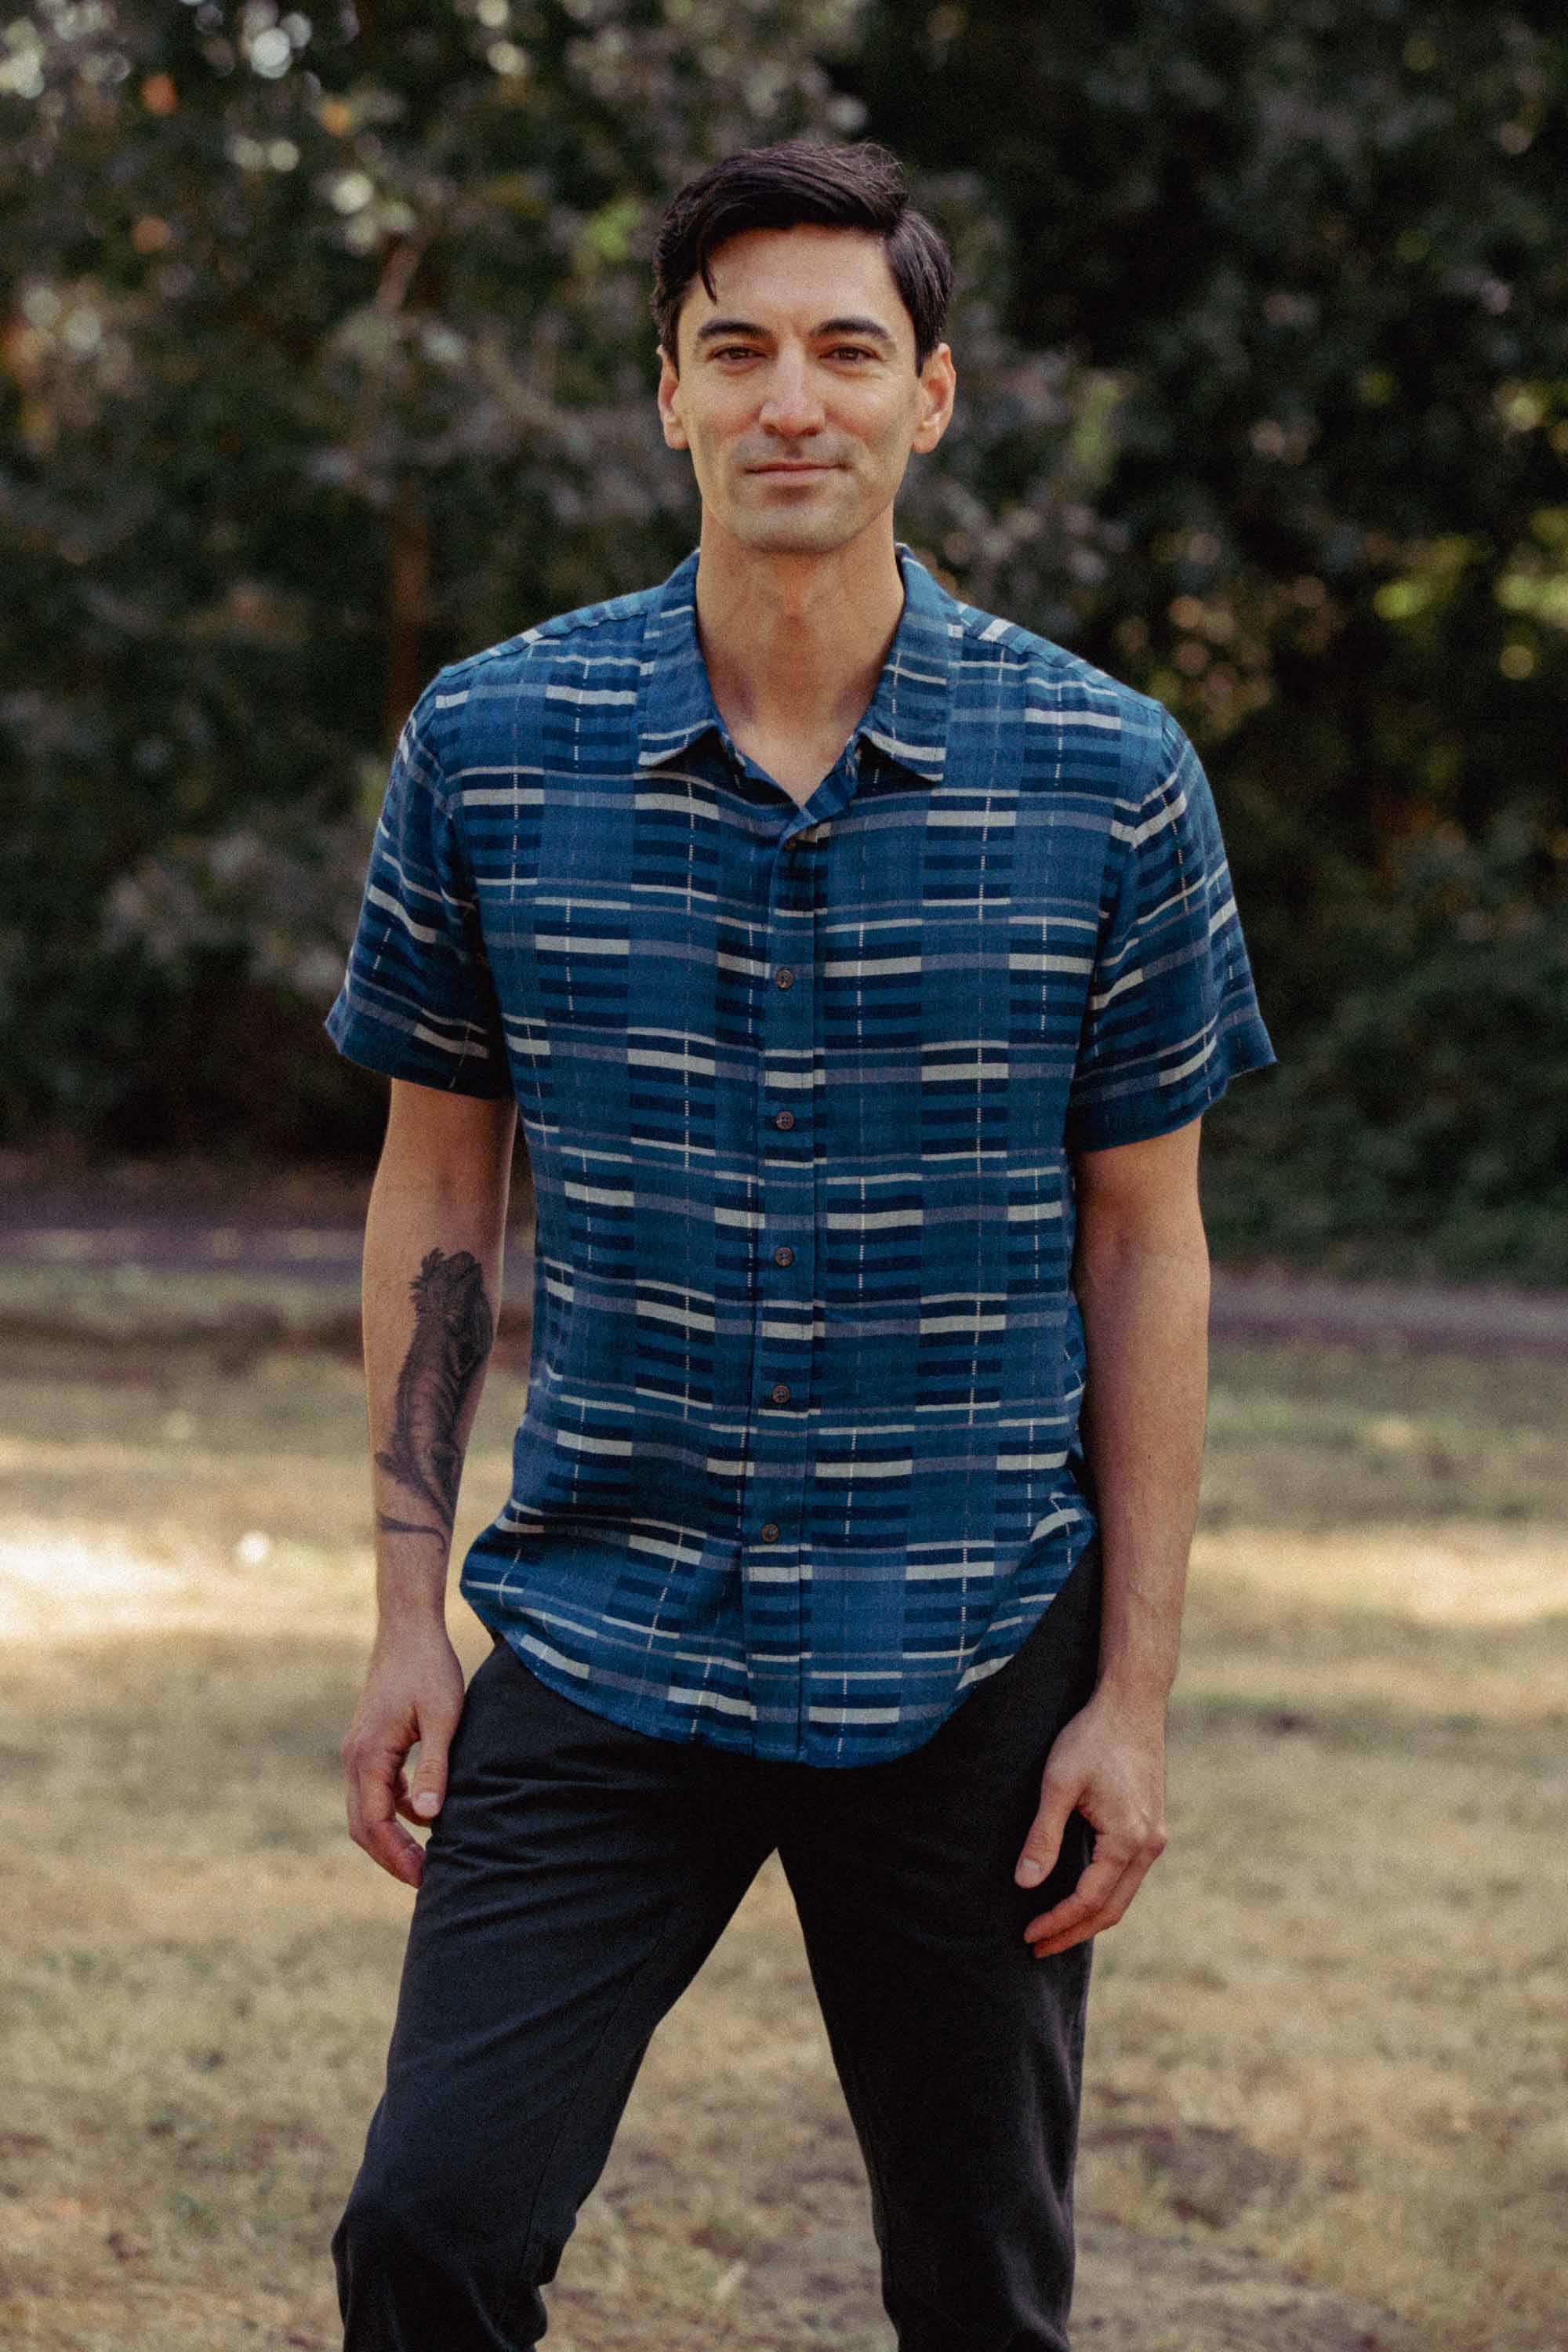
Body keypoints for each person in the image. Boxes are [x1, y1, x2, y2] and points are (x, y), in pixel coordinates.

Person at [323, 136, 1275, 2352]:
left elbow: (1151, 1250)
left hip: (970, 1638)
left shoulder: (1108, 774)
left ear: (929, 399)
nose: (790, 402)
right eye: (733, 349)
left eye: (849, 352)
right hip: (607, 1615)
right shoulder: (490, 745)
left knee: (979, 2297)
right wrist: (399, 1613)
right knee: (426, 2234)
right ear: (665, 391)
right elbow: (436, 1186)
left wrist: (1131, 1702)